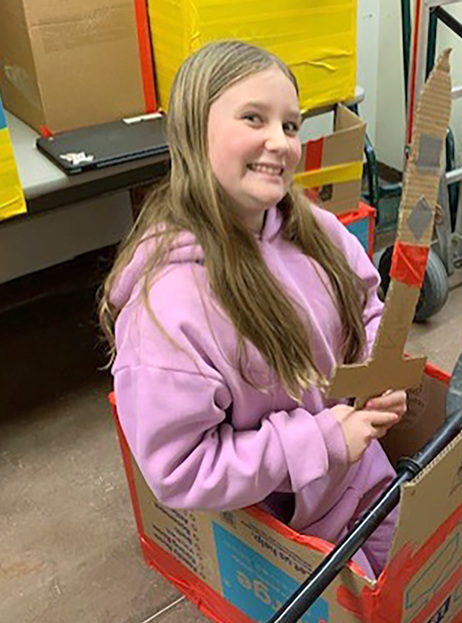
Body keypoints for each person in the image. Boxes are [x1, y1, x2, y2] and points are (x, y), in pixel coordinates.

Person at [98, 40, 406, 579]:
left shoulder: (318, 230)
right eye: (253, 118)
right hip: (286, 523)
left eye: (291, 125)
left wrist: (381, 370)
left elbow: (367, 308)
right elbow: (182, 468)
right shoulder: (169, 309)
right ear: (193, 132)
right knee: (368, 611)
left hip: (363, 474)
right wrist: (322, 443)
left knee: (419, 573)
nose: (280, 142)